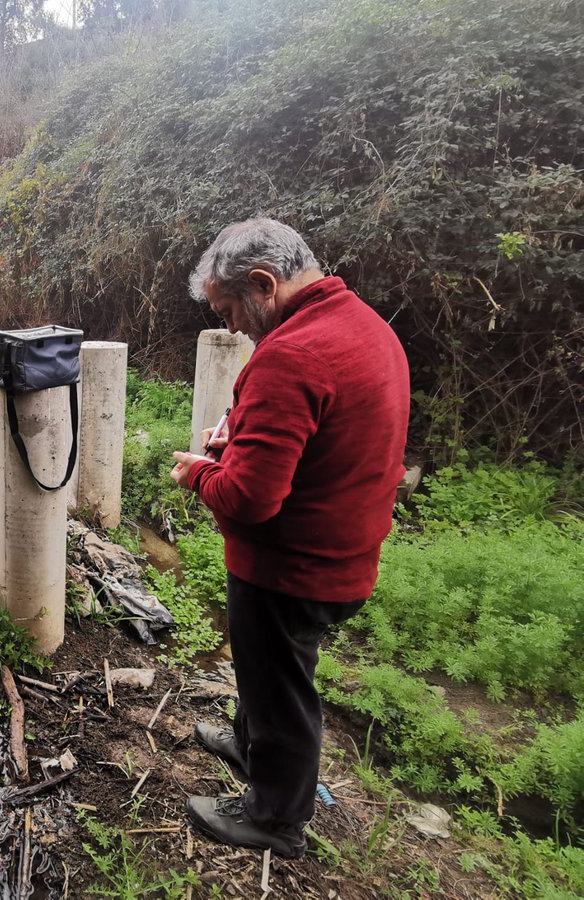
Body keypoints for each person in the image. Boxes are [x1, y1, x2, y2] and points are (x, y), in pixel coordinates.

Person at [169, 218, 409, 858]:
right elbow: (315, 447)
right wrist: (242, 447)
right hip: (340, 550)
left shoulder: (292, 354)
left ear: (262, 284)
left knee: (280, 687)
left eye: (228, 312)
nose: (231, 329)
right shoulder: (364, 326)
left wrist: (202, 475)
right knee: (264, 669)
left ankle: (275, 818)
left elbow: (249, 500)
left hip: (292, 569)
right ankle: (250, 747)